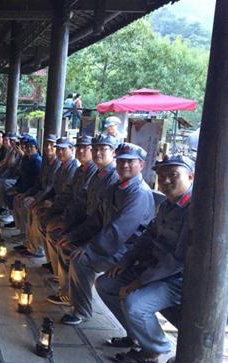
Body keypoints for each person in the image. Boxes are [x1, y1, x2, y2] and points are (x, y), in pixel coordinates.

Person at [95, 155, 194, 363]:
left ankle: (153, 350)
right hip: (153, 269)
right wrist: (126, 261)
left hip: (177, 280)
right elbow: (148, 236)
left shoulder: (193, 211)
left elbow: (178, 260)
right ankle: (135, 336)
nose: (166, 181)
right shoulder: (168, 205)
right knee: (105, 283)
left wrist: (140, 282)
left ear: (190, 176)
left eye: (173, 175)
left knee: (135, 304)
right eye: (161, 176)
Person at [61, 143, 156, 326]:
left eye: (130, 162)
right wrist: (74, 236)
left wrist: (89, 248)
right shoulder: (116, 187)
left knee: (81, 260)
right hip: (114, 244)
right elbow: (97, 218)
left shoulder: (138, 193)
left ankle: (81, 311)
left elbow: (118, 230)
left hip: (129, 250)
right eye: (121, 161)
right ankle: (70, 296)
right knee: (69, 247)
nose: (124, 165)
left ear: (141, 164)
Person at [50, 135, 119, 305]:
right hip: (90, 227)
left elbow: (112, 226)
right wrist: (67, 224)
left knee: (77, 256)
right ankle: (66, 287)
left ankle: (79, 306)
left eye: (103, 149)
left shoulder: (114, 178)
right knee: (61, 238)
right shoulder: (97, 174)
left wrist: (87, 244)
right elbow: (83, 202)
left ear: (113, 153)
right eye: (95, 149)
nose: (97, 153)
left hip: (106, 238)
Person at [26, 137, 80, 258]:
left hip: (65, 208)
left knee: (43, 217)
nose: (60, 152)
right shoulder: (62, 166)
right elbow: (54, 188)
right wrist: (43, 200)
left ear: (72, 150)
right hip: (58, 203)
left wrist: (52, 203)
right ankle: (37, 248)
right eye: (58, 149)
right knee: (36, 209)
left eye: (63, 149)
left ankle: (41, 251)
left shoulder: (74, 167)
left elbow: (69, 195)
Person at [12, 134, 61, 247]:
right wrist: (26, 194)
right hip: (40, 194)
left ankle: (35, 246)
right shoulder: (46, 162)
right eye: (46, 145)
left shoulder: (57, 163)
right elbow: (38, 183)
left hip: (50, 198)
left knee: (30, 206)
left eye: (52, 145)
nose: (48, 148)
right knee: (20, 200)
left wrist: (37, 199)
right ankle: (25, 234)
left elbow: (50, 187)